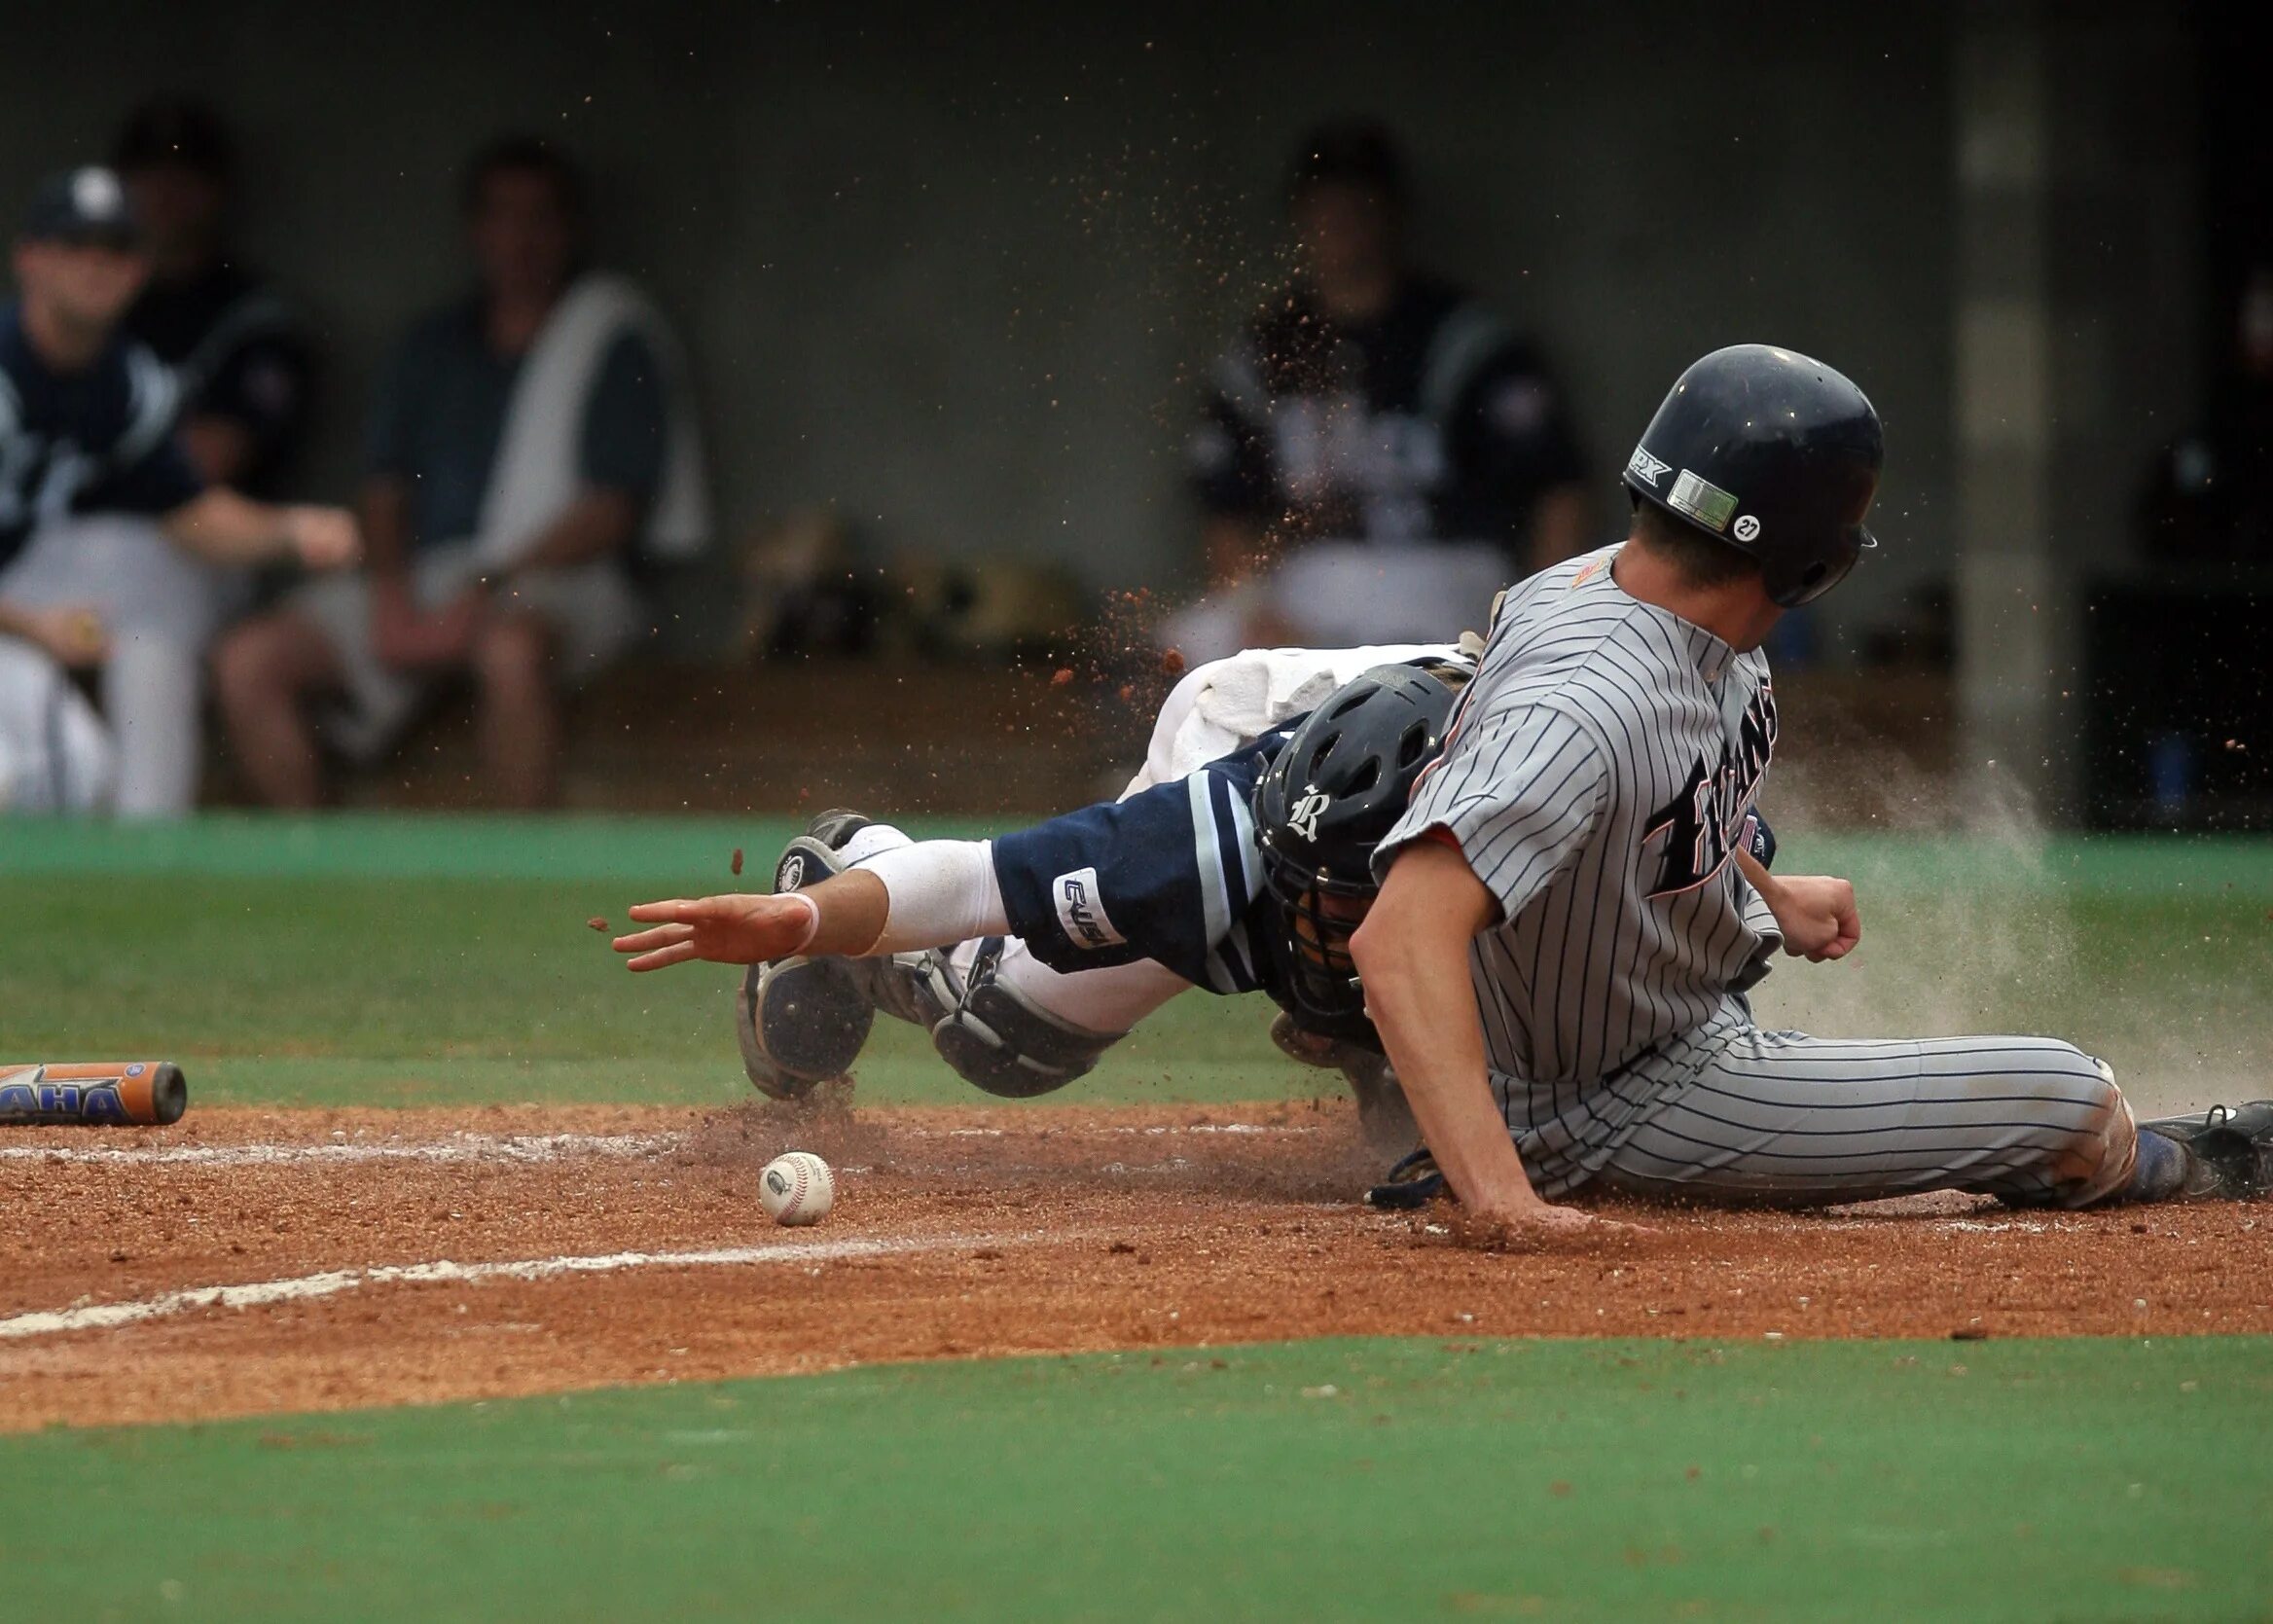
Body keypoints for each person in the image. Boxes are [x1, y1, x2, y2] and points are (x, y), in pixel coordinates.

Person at [1339, 343, 2271, 1235]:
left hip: (1648, 1029)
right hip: (1613, 1100)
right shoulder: (1589, 705)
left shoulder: (1599, 588)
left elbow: (1636, 796)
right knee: (2065, 1095)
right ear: (1814, 558)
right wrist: (1502, 1198)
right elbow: (1399, 937)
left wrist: (1764, 891)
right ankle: (2199, 1160)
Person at [610, 650, 1487, 1151]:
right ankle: (850, 855)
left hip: (1438, 785)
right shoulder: (1209, 838)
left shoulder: (1540, 842)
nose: (1329, 929)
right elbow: (986, 880)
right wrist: (807, 917)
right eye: (1314, 910)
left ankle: (1370, 1039)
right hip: (1262, 728)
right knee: (1002, 1031)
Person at [214, 136, 708, 809]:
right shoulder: (432, 345)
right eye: (503, 216)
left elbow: (611, 510)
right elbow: (384, 488)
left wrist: (483, 588)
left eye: (540, 217)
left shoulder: (611, 335)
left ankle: (520, 882)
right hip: (430, 578)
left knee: (510, 651)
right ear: (476, 230)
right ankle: (310, 864)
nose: (522, 237)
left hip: (560, 580)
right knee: (248, 659)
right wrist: (393, 600)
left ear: (572, 229)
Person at [0, 166, 358, 816]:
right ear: (29, 259)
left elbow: (185, 513)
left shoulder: (126, 381)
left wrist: (289, 531)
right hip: (13, 614)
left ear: (138, 270)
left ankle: (150, 843)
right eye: (74, 246)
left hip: (20, 606)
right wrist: (32, 625)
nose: (95, 266)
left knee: (82, 756)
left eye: (113, 249)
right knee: (48, 772)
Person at [1167, 119, 1591, 664]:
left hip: (1443, 572)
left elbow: (1558, 488)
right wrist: (1254, 607)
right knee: (1187, 646)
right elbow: (1223, 506)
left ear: (1394, 212)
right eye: (1326, 203)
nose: (1341, 219)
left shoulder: (1464, 340)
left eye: (1359, 202)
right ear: (1300, 215)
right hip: (1312, 582)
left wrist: (1548, 618)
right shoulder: (1265, 347)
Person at [112, 98, 314, 495]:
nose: (165, 189)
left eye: (185, 172)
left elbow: (206, 461)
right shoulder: (96, 306)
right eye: (149, 171)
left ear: (220, 188)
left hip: (208, 537)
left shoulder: (258, 314)